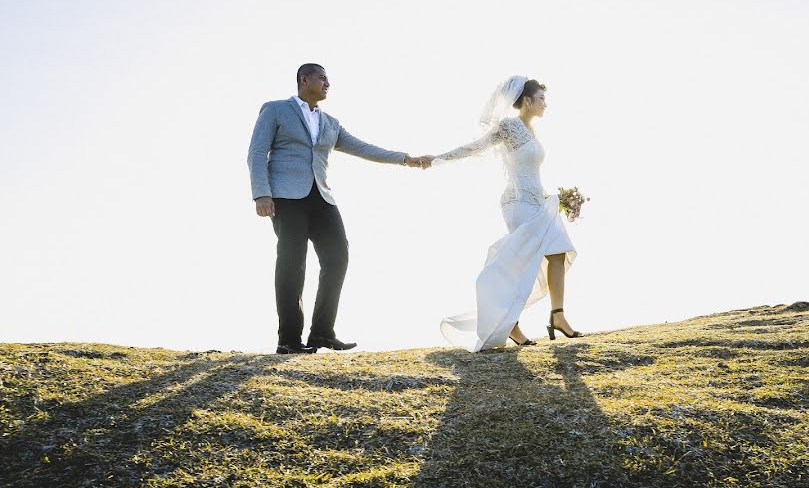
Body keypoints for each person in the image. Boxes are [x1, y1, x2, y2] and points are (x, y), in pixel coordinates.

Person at [247, 63, 432, 354]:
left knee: (337, 258)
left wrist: (406, 159)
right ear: (303, 79)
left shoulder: (330, 123)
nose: (327, 83)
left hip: (321, 198)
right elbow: (257, 152)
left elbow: (363, 147)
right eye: (322, 78)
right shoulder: (274, 109)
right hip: (285, 197)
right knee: (292, 264)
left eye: (328, 79)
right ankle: (289, 340)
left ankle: (322, 334)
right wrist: (261, 194)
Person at [433, 76, 581, 352]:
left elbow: (530, 171)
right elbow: (476, 146)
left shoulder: (532, 131)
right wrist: (437, 158)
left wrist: (556, 197)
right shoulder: (510, 127)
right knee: (521, 263)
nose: (545, 104)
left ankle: (558, 316)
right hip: (518, 203)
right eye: (541, 99)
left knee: (558, 251)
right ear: (526, 101)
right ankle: (510, 322)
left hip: (538, 201)